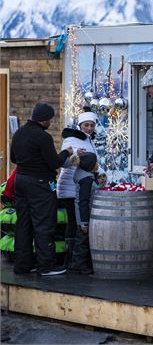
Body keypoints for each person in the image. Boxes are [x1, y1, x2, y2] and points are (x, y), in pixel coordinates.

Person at [10, 103, 72, 275]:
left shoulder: (19, 133)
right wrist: (66, 152)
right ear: (44, 120)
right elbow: (54, 163)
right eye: (50, 120)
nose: (50, 123)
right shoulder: (43, 137)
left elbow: (14, 159)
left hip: (20, 181)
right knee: (44, 224)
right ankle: (46, 266)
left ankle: (22, 265)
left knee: (23, 224)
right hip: (40, 184)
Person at [57, 109, 98, 267]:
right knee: (74, 223)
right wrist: (75, 154)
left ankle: (76, 259)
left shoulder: (89, 140)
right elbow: (64, 162)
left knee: (79, 222)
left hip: (83, 185)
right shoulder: (72, 139)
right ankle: (71, 260)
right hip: (70, 186)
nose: (89, 128)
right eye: (86, 125)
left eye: (92, 125)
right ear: (80, 125)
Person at [68, 152, 99, 275]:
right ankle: (79, 265)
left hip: (81, 217)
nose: (98, 164)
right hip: (83, 218)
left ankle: (78, 263)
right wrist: (84, 222)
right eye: (96, 162)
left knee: (82, 240)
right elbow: (83, 202)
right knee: (82, 241)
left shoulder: (85, 176)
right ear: (89, 165)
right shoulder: (86, 180)